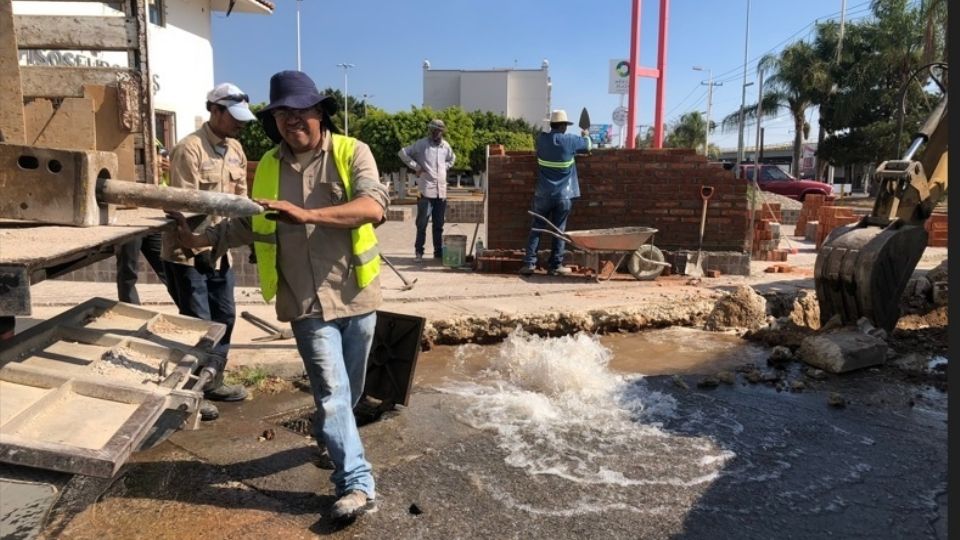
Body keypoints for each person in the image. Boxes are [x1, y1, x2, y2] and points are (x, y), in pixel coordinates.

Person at [169, 70, 388, 523]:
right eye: (284, 115)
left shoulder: (352, 152)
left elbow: (374, 207)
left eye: (302, 112)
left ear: (320, 113)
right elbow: (252, 221)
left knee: (350, 390)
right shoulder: (267, 165)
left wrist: (306, 214)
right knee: (330, 390)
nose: (294, 122)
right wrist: (204, 240)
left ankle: (332, 437)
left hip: (356, 295)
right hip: (304, 301)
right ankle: (357, 482)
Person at [161, 83, 256, 420]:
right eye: (234, 117)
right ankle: (191, 394)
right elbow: (184, 204)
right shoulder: (190, 149)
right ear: (215, 110)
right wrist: (199, 246)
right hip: (188, 254)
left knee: (225, 317)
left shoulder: (236, 150)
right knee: (198, 324)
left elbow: (241, 200)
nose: (239, 124)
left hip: (219, 251)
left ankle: (214, 379)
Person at [519, 109, 592, 276]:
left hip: (543, 194)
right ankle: (555, 266)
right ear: (565, 126)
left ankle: (529, 263)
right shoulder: (571, 141)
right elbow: (588, 146)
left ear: (551, 124)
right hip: (564, 195)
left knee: (537, 227)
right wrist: (585, 133)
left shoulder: (541, 140)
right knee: (559, 230)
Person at [115, 141, 176, 305]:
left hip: (153, 214)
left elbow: (165, 181)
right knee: (127, 269)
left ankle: (187, 308)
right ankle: (132, 311)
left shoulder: (154, 140)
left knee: (166, 266)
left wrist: (169, 169)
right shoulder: (122, 140)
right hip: (129, 216)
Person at [398, 119, 455, 262]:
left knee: (439, 224)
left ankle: (438, 252)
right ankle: (419, 252)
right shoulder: (421, 144)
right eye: (433, 129)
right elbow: (403, 153)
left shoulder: (445, 146)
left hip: (441, 192)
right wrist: (417, 167)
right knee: (422, 223)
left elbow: (452, 159)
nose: (435, 132)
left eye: (438, 130)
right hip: (426, 191)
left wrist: (444, 167)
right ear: (430, 130)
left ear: (442, 131)